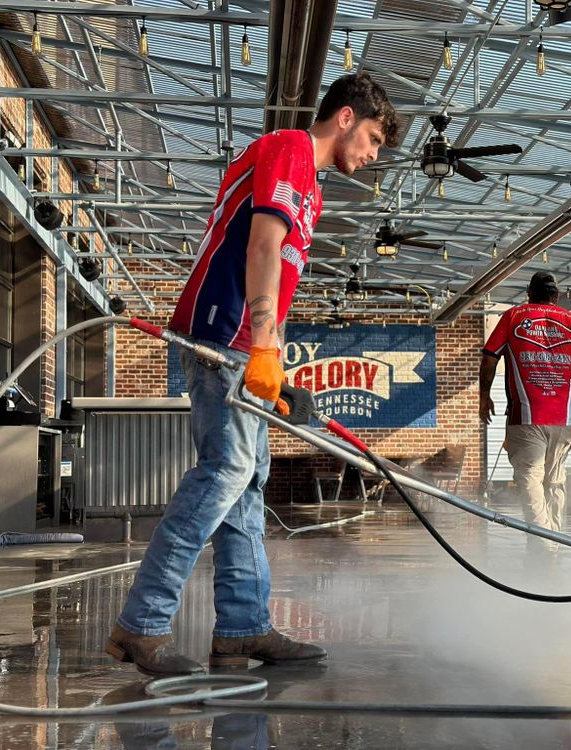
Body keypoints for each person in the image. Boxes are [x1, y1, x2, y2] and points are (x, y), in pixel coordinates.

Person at [105, 73, 400, 676]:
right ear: (344, 117)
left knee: (248, 484)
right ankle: (141, 625)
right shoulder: (291, 147)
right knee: (227, 473)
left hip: (246, 347)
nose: (372, 157)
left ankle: (242, 629)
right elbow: (262, 247)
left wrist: (277, 359)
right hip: (222, 336)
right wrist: (261, 346)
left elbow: (280, 282)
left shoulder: (311, 190)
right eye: (372, 139)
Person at [479, 271, 571, 536]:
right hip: (564, 422)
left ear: (529, 294)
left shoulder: (513, 317)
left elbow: (490, 357)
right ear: (556, 296)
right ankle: (553, 542)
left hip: (525, 419)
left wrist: (484, 395)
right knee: (555, 482)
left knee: (529, 480)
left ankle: (543, 546)